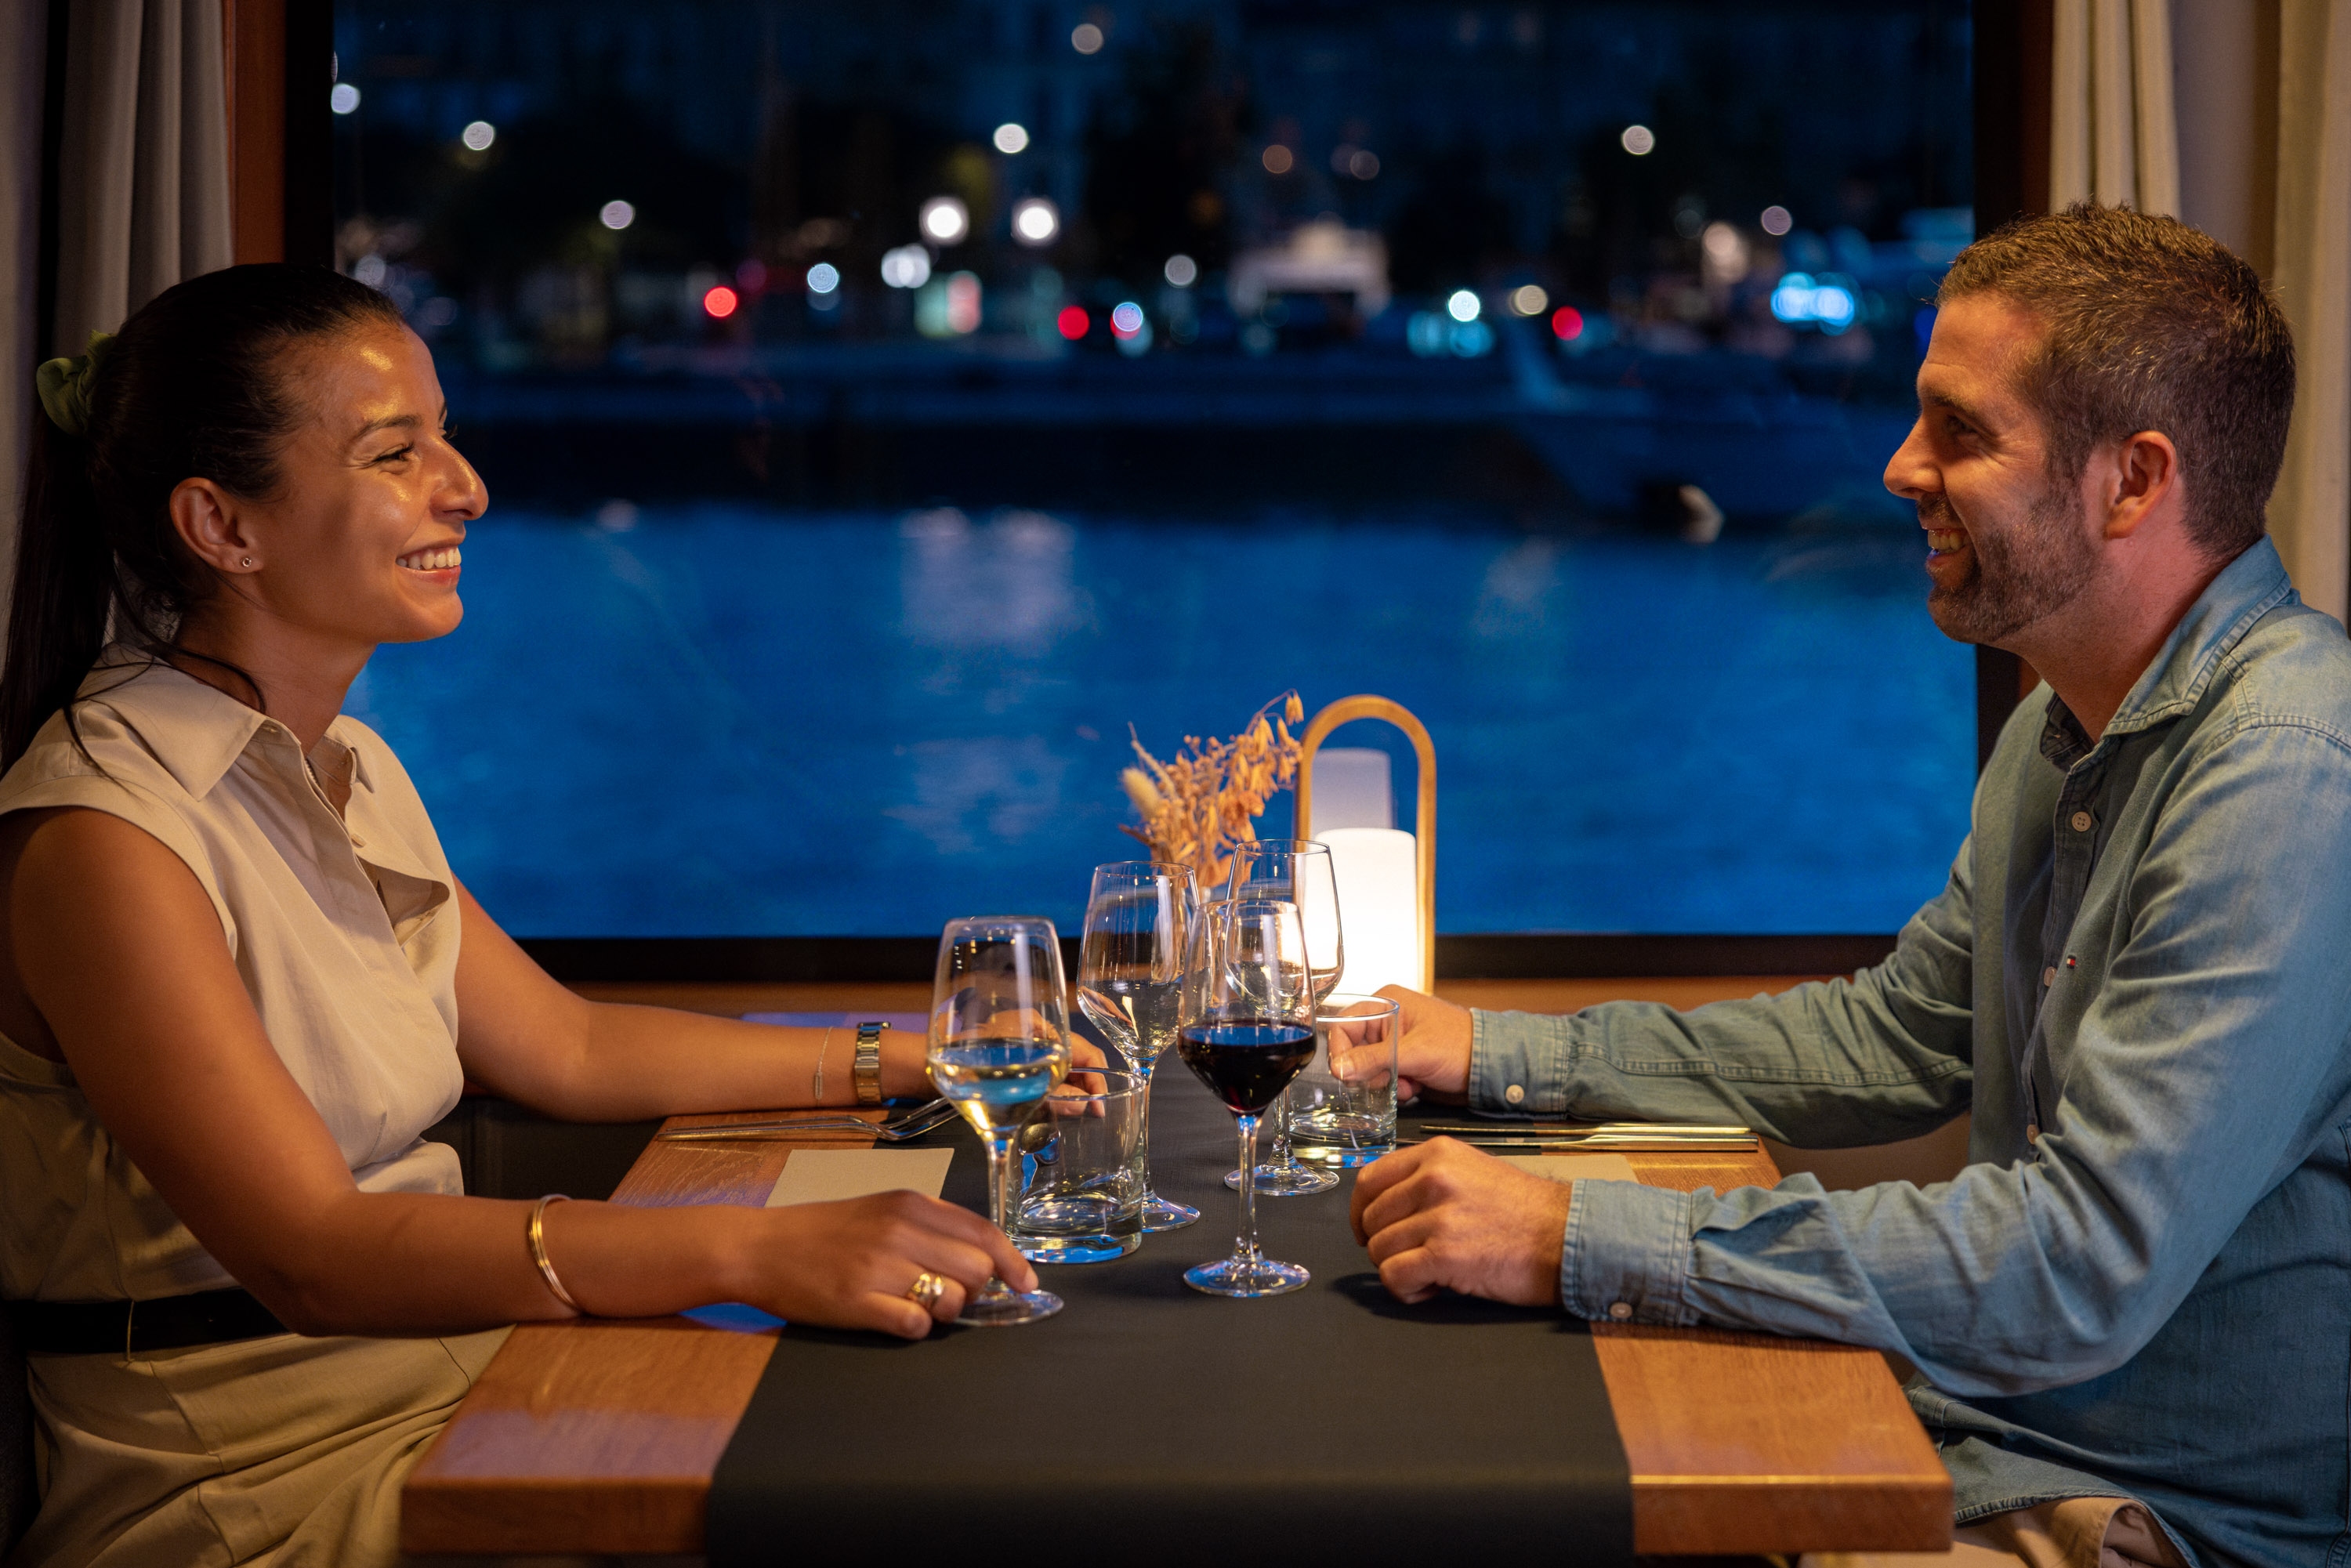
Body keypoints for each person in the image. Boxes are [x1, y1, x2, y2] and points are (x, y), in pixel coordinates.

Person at [1346, 204, 2350, 1568]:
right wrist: (1494, 1048)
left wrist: (1578, 1231)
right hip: (1985, 1432)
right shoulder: (2061, 728)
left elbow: (2077, 1266)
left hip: (2151, 1518)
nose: (1899, 467)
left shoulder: (2290, 770)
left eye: (1962, 431)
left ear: (2134, 479)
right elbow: (1890, 1040)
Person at [0, 264, 1043, 1568]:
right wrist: (758, 1249)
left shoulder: (348, 765)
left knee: (918, 1440)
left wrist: (930, 1045)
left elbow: (566, 1047)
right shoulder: (103, 838)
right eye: (397, 452)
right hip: (258, 1484)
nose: (466, 484)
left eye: (444, 433)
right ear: (222, 524)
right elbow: (315, 1253)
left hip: (458, 1378)